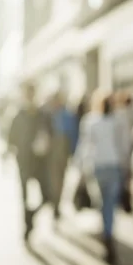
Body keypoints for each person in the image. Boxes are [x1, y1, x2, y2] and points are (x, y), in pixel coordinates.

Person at [75, 93, 128, 265]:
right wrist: (126, 166)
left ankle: (106, 233)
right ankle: (108, 232)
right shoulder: (116, 121)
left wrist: (80, 168)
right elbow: (124, 146)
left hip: (98, 166)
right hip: (111, 165)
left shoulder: (90, 121)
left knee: (103, 203)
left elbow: (84, 146)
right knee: (109, 204)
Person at [8, 83, 53, 241]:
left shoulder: (42, 114)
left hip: (39, 161)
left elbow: (50, 134)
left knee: (47, 196)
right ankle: (26, 225)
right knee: (24, 196)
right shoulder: (18, 114)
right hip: (24, 161)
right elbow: (11, 138)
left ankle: (31, 215)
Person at [49, 92, 78, 220]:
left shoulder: (68, 114)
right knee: (52, 180)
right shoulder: (49, 114)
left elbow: (73, 134)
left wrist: (72, 150)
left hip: (63, 151)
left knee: (60, 179)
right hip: (51, 152)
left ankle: (57, 204)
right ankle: (54, 203)